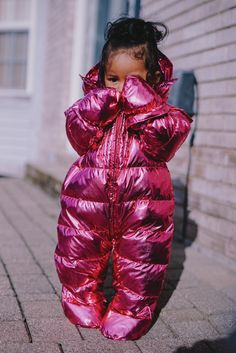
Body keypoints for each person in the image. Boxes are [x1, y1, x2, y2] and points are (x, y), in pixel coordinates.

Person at [54, 17, 193, 341]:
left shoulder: (163, 115)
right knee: (78, 255)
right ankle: (80, 298)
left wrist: (144, 107)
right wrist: (92, 109)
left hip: (143, 207)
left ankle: (129, 311)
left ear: (152, 79)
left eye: (132, 81)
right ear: (101, 76)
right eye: (112, 79)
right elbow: (76, 137)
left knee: (141, 262)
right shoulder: (92, 107)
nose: (120, 88)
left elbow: (166, 141)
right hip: (87, 201)